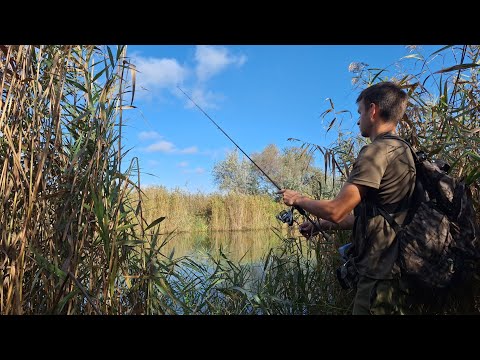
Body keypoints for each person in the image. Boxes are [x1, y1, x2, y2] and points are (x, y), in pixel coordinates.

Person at [278, 81, 418, 315]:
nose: (357, 120)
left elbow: (337, 209)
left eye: (360, 112)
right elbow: (374, 215)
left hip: (379, 273)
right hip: (397, 269)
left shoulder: (376, 151)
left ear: (373, 111)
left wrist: (298, 199)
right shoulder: (404, 151)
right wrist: (322, 225)